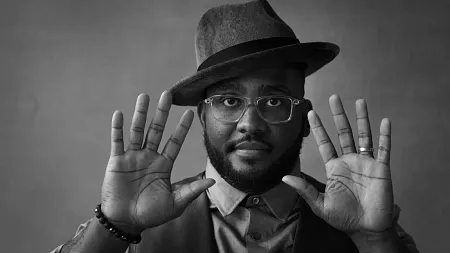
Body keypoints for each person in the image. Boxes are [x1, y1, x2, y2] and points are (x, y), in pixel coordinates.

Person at [50, 0, 419, 252]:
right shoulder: (130, 230)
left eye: (274, 101)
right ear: (202, 118)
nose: (250, 124)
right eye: (229, 101)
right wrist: (114, 227)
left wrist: (375, 241)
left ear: (305, 119)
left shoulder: (371, 227)